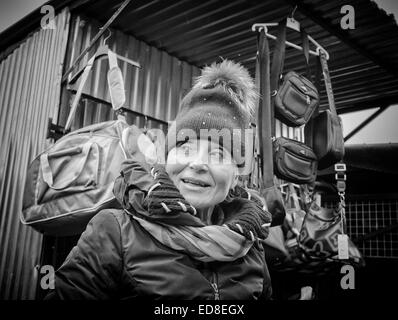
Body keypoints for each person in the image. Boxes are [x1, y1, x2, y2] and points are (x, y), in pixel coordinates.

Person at [47, 59, 273, 299]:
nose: (197, 163)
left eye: (217, 154)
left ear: (236, 173)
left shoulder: (250, 244)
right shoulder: (116, 231)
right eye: (185, 148)